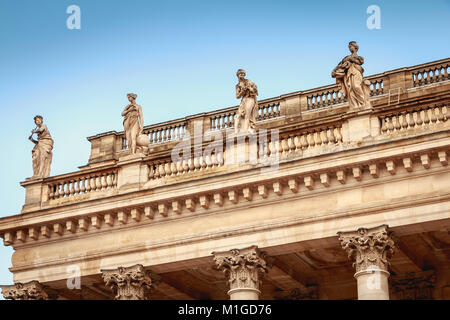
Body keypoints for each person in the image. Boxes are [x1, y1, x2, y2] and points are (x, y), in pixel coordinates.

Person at [332, 41, 371, 110]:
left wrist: (350, 59)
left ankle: (363, 102)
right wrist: (334, 70)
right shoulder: (346, 58)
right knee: (350, 89)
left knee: (356, 86)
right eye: (349, 47)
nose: (350, 48)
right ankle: (355, 105)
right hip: (349, 74)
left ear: (355, 47)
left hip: (356, 73)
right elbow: (339, 65)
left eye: (351, 46)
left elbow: (360, 62)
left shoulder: (359, 57)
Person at [235, 69, 259, 134]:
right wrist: (242, 91)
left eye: (243, 74)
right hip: (244, 100)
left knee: (247, 114)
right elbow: (237, 96)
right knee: (238, 116)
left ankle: (246, 129)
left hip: (250, 99)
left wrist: (249, 89)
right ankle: (236, 131)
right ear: (237, 75)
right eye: (240, 74)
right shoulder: (237, 86)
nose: (242, 75)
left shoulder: (248, 81)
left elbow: (255, 90)